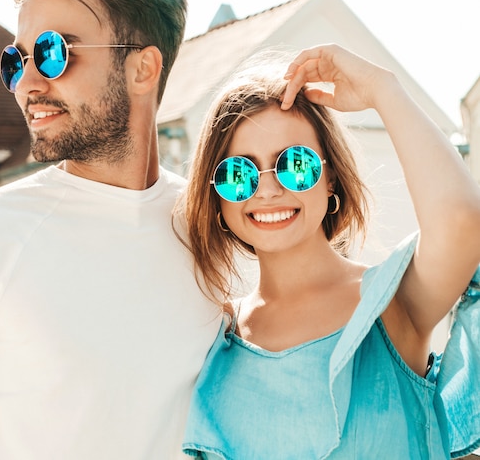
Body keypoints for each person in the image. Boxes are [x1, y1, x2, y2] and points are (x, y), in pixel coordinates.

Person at [0, 0, 221, 458]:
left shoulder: (219, 230)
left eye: (51, 52)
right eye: (15, 60)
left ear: (142, 69)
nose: (26, 83)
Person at [177, 44, 480, 459]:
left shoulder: (390, 301)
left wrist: (381, 89)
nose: (267, 189)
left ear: (330, 178)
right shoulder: (212, 338)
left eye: (294, 164)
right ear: (216, 198)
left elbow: (462, 221)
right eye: (237, 173)